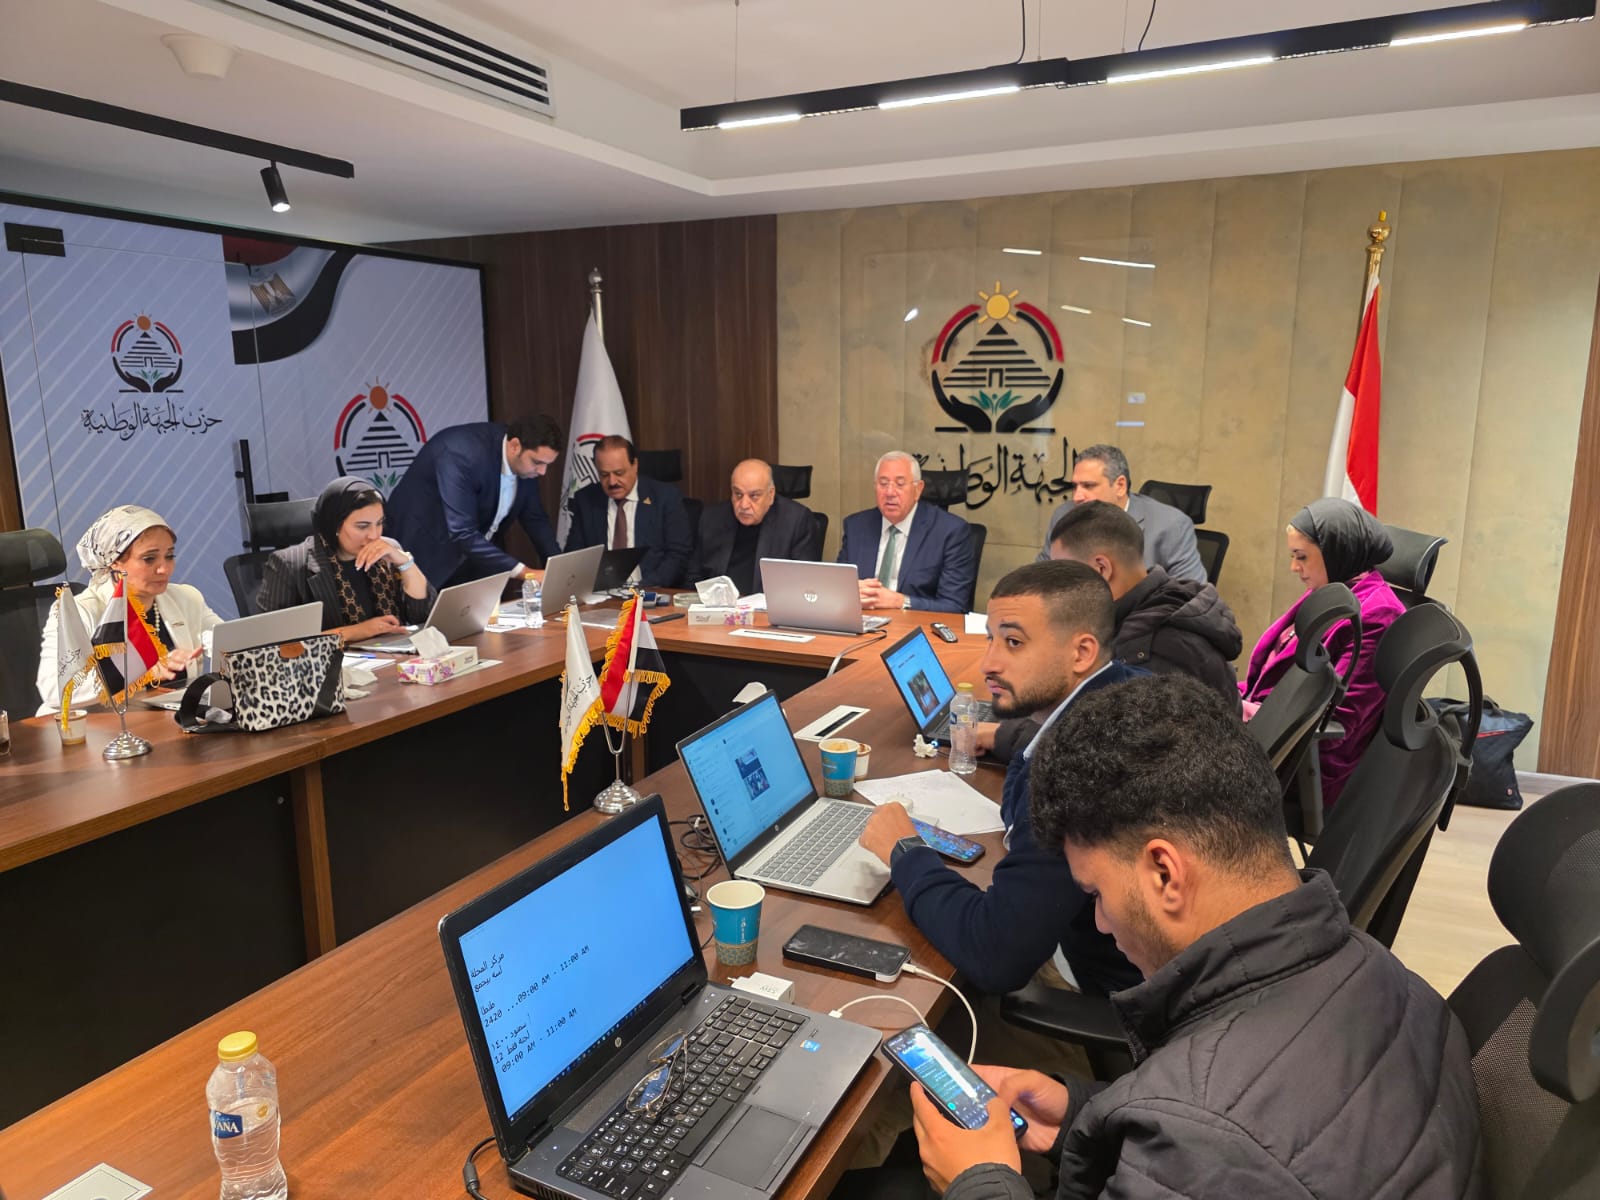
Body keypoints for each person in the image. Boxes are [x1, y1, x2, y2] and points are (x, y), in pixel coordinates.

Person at [906, 673, 1483, 1200]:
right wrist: (1086, 1114)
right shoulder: (1388, 975)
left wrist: (978, 1181)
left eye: (1097, 894)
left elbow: (1224, 1143)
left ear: (1165, 873)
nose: (1100, 922)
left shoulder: (1206, 1136)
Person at [860, 561, 1144, 999]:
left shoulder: (1076, 771)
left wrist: (906, 852)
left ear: (1082, 653)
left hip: (1110, 992)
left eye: (1013, 642)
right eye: (991, 638)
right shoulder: (1127, 691)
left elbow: (996, 955)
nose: (988, 663)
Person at [1241, 497, 1404, 807]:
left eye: (1301, 557)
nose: (1294, 567)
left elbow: (1335, 721)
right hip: (1267, 735)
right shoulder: (1330, 590)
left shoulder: (1378, 615)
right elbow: (1265, 681)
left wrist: (1240, 712)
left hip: (1303, 766)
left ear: (1336, 551)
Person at [1048, 500, 1242, 707]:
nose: (1057, 588)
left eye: (1065, 575)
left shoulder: (1152, 651)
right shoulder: (1156, 602)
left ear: (1101, 569)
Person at [35, 505, 222, 713]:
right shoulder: (80, 612)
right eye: (149, 559)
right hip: (101, 728)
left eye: (169, 556)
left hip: (171, 722)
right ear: (115, 563)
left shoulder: (186, 598)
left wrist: (224, 649)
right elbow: (55, 689)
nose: (164, 569)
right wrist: (143, 671)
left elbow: (225, 641)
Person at [383, 416, 562, 587]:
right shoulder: (461, 454)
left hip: (473, 558)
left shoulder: (527, 467)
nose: (542, 472)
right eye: (537, 462)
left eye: (547, 464)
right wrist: (525, 572)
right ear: (515, 446)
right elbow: (462, 532)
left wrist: (559, 570)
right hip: (425, 551)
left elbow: (536, 519)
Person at [256, 476, 436, 645]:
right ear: (334, 525)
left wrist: (406, 564)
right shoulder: (289, 564)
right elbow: (271, 643)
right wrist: (360, 631)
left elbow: (423, 617)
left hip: (391, 658)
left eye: (379, 523)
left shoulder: (388, 550)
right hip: (332, 665)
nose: (374, 535)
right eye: (362, 526)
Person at [1036, 444, 1205, 582]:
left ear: (1120, 486)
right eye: (1075, 486)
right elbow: (1040, 576)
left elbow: (1190, 597)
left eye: (1088, 486)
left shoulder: (1171, 526)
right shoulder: (1064, 515)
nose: (1077, 496)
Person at [838, 451, 975, 613]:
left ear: (918, 489)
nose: (890, 492)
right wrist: (850, 591)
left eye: (900, 484)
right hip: (863, 620)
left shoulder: (951, 532)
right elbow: (836, 587)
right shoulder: (856, 526)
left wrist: (900, 601)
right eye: (883, 484)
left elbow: (954, 606)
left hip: (915, 623)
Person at [563, 435, 693, 587]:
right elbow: (574, 556)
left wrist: (643, 588)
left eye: (619, 473)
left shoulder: (665, 497)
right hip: (601, 592)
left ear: (635, 465)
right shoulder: (586, 500)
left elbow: (678, 555)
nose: (612, 482)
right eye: (604, 475)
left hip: (651, 589)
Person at [685, 458, 821, 594]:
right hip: (718, 605)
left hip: (768, 605)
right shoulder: (713, 518)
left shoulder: (795, 521)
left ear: (771, 494)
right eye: (738, 494)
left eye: (754, 496)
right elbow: (693, 578)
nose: (744, 505)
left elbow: (805, 584)